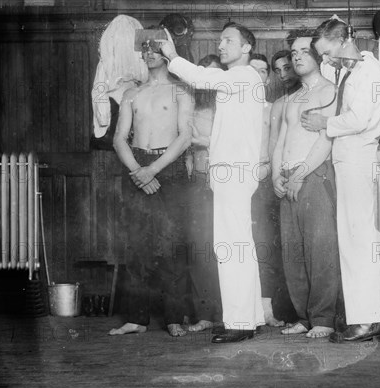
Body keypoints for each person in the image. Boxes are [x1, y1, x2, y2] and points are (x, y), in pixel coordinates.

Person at [158, 22, 265, 343]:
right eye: (219, 40)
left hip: (233, 171)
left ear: (247, 48)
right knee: (240, 245)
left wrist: (172, 56)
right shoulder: (239, 80)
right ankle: (251, 317)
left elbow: (203, 77)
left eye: (229, 40)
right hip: (232, 171)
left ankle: (240, 322)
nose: (221, 45)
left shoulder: (243, 77)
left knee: (231, 246)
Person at [302, 18, 380, 343]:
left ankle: (367, 321)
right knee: (352, 240)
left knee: (359, 240)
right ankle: (363, 319)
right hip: (345, 159)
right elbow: (327, 71)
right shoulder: (347, 69)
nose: (324, 61)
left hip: (357, 158)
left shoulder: (369, 71)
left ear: (343, 42)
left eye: (327, 53)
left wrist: (324, 122)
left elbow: (361, 118)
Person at [109, 35, 195, 337]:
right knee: (137, 244)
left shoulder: (181, 89)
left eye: (155, 47)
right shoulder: (132, 93)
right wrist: (138, 171)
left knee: (172, 245)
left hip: (168, 167)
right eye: (144, 48)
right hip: (137, 166)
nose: (149, 53)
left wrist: (154, 169)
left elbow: (185, 136)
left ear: (168, 52)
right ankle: (136, 318)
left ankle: (174, 317)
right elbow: (119, 138)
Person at [272, 30, 340, 339]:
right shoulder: (292, 98)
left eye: (303, 50)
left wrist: (299, 174)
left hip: (313, 176)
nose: (296, 56)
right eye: (293, 52)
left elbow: (325, 141)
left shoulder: (329, 91)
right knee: (293, 253)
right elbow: (281, 141)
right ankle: (304, 316)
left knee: (319, 250)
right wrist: (277, 175)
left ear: (318, 55)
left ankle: (323, 319)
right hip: (287, 178)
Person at [248, 53, 293, 327]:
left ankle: (268, 309)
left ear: (267, 78)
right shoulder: (230, 107)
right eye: (252, 71)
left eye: (263, 72)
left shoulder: (272, 108)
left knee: (267, 244)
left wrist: (265, 170)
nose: (257, 76)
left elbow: (278, 144)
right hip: (236, 181)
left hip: (265, 179)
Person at [184, 55, 226, 333]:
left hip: (228, 181)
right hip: (199, 182)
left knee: (227, 249)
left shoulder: (230, 106)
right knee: (200, 249)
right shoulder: (192, 109)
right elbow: (185, 146)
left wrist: (200, 140)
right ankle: (205, 313)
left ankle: (230, 312)